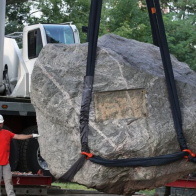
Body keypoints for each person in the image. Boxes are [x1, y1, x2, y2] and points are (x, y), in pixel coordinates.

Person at [0, 114, 40, 196]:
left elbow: (18, 136)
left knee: (8, 180)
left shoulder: (7, 133)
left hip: (5, 163)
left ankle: (11, 195)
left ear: (3, 123)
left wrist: (32, 135)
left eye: (0, 123)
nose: (0, 125)